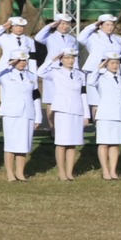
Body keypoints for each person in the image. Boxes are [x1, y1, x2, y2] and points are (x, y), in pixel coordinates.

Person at [39, 51, 91, 181]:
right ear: (61, 59)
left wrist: (86, 114)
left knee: (73, 143)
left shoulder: (80, 74)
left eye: (72, 58)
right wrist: (52, 60)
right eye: (67, 58)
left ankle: (69, 172)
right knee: (62, 142)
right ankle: (61, 172)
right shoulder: (56, 72)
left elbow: (83, 94)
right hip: (62, 109)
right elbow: (39, 72)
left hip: (77, 109)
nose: (70, 60)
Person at [0, 55, 42, 182]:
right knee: (10, 144)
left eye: (24, 60)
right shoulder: (5, 74)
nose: (22, 63)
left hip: (28, 112)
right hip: (11, 113)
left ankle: (20, 173)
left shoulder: (31, 75)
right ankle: (10, 174)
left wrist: (38, 116)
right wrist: (8, 64)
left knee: (24, 144)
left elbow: (36, 96)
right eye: (19, 60)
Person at [90, 55, 121, 181]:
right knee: (104, 143)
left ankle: (113, 171)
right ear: (106, 64)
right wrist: (98, 68)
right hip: (105, 115)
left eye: (117, 63)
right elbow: (90, 81)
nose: (114, 65)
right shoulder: (101, 78)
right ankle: (105, 171)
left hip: (119, 114)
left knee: (115, 144)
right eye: (112, 63)